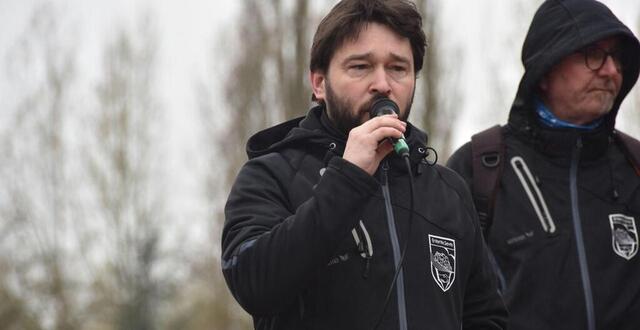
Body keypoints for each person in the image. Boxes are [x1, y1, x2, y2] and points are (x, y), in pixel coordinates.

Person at [221, 0, 507, 329]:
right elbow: (254, 285)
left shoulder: (449, 191)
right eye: (360, 67)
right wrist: (347, 179)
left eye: (398, 68)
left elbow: (486, 315)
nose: (382, 84)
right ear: (319, 83)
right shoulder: (271, 174)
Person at [447, 0, 640, 329]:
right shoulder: (479, 168)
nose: (610, 71)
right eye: (594, 53)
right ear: (546, 70)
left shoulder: (634, 166)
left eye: (617, 58)